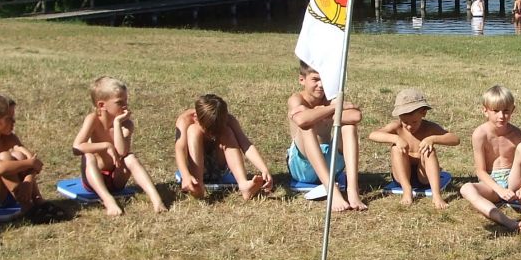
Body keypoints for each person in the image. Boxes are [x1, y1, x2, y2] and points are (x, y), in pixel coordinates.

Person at [458, 85, 521, 234]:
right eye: (495, 111)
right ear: (485, 111)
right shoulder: (480, 134)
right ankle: (507, 222)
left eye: (506, 111)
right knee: (465, 188)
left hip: (513, 179)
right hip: (492, 183)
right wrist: (499, 190)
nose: (501, 116)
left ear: (513, 110)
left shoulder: (517, 134)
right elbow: (480, 171)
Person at [71, 76, 165, 216]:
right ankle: (108, 200)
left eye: (126, 101)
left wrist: (117, 124)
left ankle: (156, 199)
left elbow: (122, 152)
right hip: (94, 180)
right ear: (101, 105)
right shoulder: (93, 120)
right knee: (88, 156)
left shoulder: (126, 124)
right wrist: (106, 146)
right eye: (119, 102)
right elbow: (76, 148)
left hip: (116, 179)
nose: (125, 106)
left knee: (130, 157)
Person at [287, 62, 366, 212]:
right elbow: (302, 121)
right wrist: (333, 109)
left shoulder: (330, 98)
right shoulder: (296, 99)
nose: (321, 85)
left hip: (330, 162)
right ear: (302, 80)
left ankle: (352, 190)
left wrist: (318, 111)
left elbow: (356, 115)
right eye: (315, 79)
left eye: (324, 80)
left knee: (348, 126)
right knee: (307, 127)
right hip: (303, 167)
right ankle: (332, 192)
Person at [368, 89, 460, 209]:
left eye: (414, 122)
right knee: (396, 149)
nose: (410, 126)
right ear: (399, 117)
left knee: (429, 151)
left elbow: (455, 139)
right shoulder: (397, 127)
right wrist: (395, 138)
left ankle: (436, 196)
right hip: (401, 177)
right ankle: (407, 191)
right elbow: (373, 135)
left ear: (423, 113)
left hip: (424, 176)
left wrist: (433, 139)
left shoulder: (429, 127)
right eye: (405, 122)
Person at [174, 94, 272, 201]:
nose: (212, 135)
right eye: (208, 131)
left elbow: (245, 144)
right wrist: (185, 174)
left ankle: (244, 185)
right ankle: (198, 186)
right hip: (194, 169)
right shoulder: (185, 120)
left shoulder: (227, 120)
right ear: (196, 118)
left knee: (227, 132)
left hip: (218, 167)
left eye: (216, 132)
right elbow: (180, 149)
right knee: (193, 130)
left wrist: (264, 169)